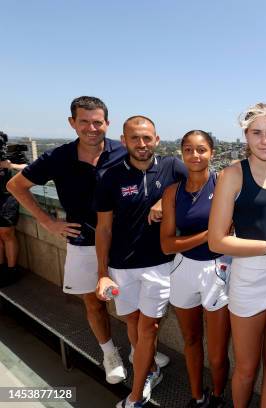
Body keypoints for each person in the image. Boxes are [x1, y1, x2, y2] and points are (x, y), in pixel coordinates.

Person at [6, 97, 160, 385]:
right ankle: (109, 352)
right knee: (94, 302)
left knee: (133, 304)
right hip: (84, 242)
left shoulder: (122, 149)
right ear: (72, 123)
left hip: (125, 243)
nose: (92, 128)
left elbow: (160, 173)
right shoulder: (58, 157)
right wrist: (47, 222)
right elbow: (15, 185)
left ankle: (141, 348)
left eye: (97, 122)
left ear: (108, 124)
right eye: (84, 121)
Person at [208, 103, 266, 408]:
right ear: (246, 135)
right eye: (257, 133)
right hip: (248, 278)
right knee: (246, 368)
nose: (264, 140)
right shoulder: (232, 175)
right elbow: (216, 240)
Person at [94, 115, 187, 408]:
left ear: (157, 140)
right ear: (124, 141)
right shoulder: (110, 177)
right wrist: (102, 273)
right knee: (132, 322)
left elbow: (204, 184)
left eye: (147, 138)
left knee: (149, 328)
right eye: (135, 138)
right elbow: (104, 228)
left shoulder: (173, 166)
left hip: (160, 264)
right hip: (121, 266)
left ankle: (140, 384)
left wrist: (167, 199)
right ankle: (151, 368)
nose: (142, 144)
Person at [160, 130, 230, 408]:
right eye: (188, 149)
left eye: (201, 149)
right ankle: (196, 396)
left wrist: (208, 237)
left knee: (217, 351)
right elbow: (166, 245)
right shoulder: (172, 193)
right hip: (182, 269)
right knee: (190, 339)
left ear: (212, 152)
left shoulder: (224, 183)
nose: (195, 155)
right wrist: (209, 234)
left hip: (217, 270)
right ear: (182, 153)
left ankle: (216, 397)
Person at [0, 131, 27, 286]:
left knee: (6, 233)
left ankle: (12, 270)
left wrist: (9, 165)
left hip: (7, 197)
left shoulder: (12, 152)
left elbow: (29, 167)